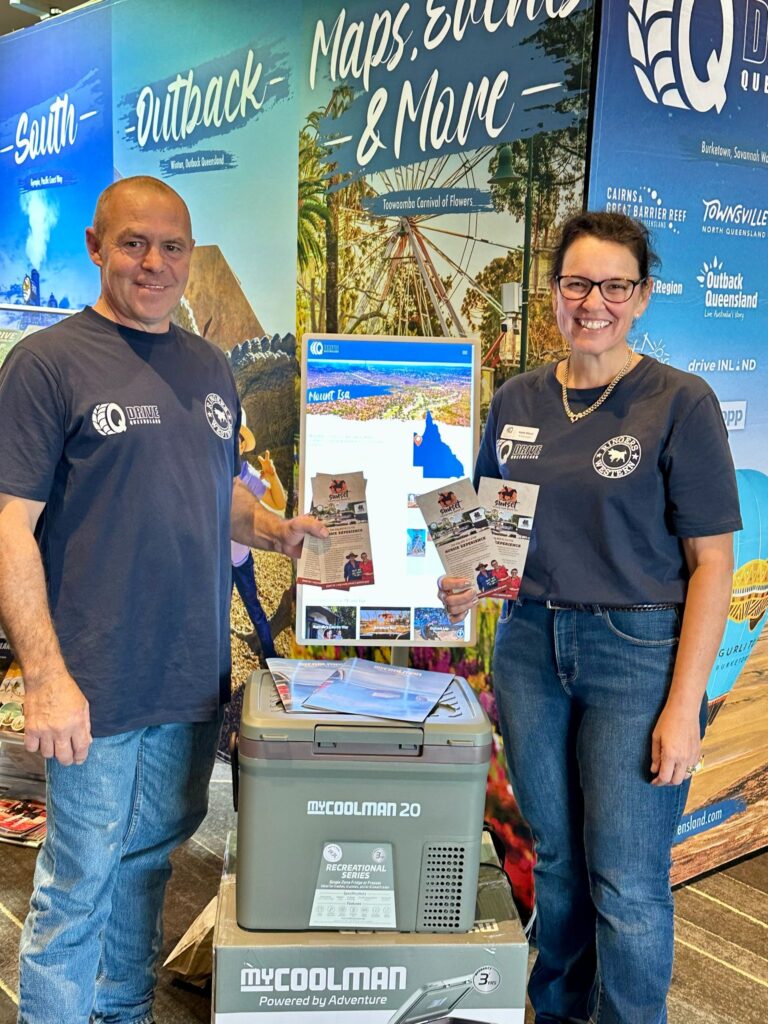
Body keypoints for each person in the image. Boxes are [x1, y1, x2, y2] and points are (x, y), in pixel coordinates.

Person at [0, 175, 327, 1024]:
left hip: (187, 677)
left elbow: (214, 490)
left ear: (190, 255)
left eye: (171, 246)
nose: (154, 263)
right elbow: (10, 526)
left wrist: (276, 528)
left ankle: (122, 1009)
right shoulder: (46, 365)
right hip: (94, 680)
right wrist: (45, 675)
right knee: (78, 881)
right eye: (134, 243)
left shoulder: (208, 367)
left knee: (148, 860)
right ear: (97, 248)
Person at [438, 211, 740, 1024]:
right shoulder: (517, 401)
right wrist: (468, 586)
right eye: (577, 283)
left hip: (638, 651)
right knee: (561, 862)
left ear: (641, 296)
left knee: (626, 877)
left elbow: (713, 562)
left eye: (615, 285)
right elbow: (488, 539)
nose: (593, 302)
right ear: (555, 293)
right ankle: (560, 1013)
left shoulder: (681, 402)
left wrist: (685, 708)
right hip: (532, 646)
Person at [231, 413, 287, 660]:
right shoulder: (209, 471)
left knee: (254, 608)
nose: (233, 441)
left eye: (238, 437)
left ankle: (270, 655)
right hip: (215, 561)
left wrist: (272, 476)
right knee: (215, 613)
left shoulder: (247, 475)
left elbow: (278, 501)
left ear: (242, 445)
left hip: (241, 559)